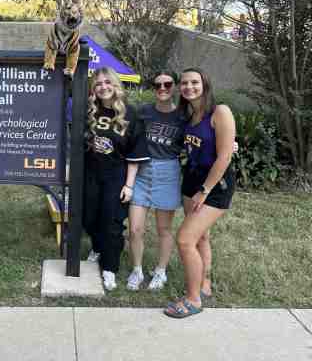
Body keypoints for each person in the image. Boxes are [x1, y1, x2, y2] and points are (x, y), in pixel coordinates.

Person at [164, 67, 236, 319]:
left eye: (194, 82)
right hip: (192, 179)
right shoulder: (189, 116)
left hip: (215, 185)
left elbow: (225, 155)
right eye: (184, 83)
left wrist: (205, 191)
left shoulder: (220, 112)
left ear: (204, 84)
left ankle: (193, 299)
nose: (189, 86)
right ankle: (205, 283)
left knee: (185, 239)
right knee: (201, 237)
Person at [83, 67, 148, 291]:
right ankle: (98, 247)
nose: (103, 87)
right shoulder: (89, 110)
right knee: (88, 217)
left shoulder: (130, 114)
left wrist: (129, 185)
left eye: (107, 82)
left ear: (115, 84)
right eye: (98, 83)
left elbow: (134, 154)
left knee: (111, 222)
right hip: (90, 173)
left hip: (116, 175)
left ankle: (109, 267)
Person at [124, 72, 185, 291]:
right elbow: (126, 132)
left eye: (167, 84)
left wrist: (229, 144)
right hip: (142, 171)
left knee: (164, 229)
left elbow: (201, 134)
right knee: (135, 229)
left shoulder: (183, 115)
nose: (162, 88)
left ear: (175, 87)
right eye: (157, 84)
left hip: (168, 172)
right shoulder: (143, 113)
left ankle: (161, 271)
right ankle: (137, 270)